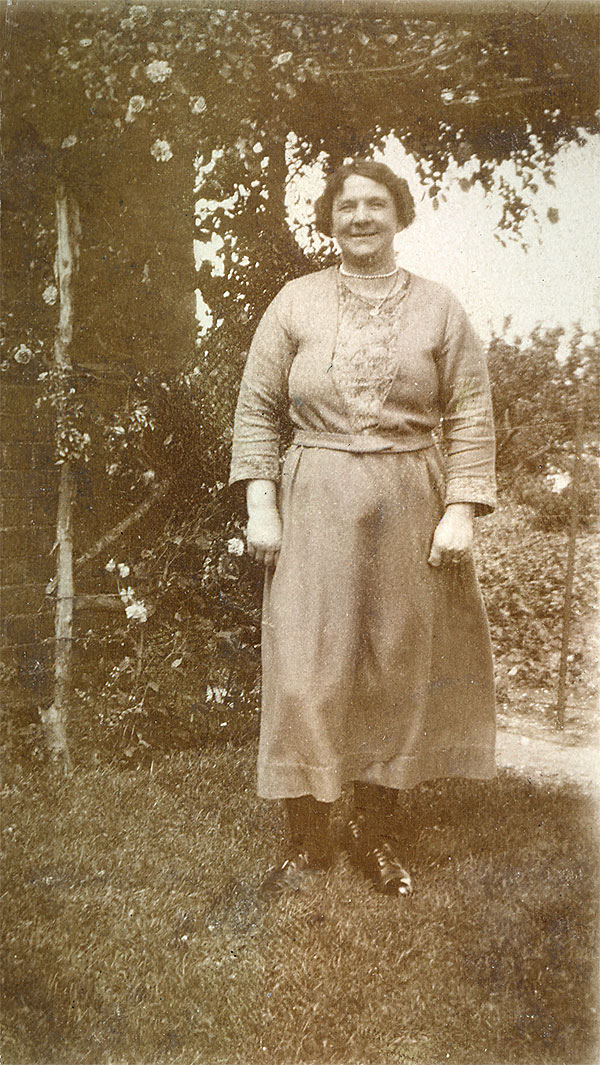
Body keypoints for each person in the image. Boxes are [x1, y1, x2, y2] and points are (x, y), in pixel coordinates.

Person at [229, 159, 496, 897]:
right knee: (306, 663)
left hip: (410, 496)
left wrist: (461, 509)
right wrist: (260, 505)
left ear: (399, 215)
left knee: (394, 663)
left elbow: (471, 411)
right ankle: (308, 838)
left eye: (376, 204)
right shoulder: (295, 302)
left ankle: (376, 836)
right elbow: (256, 410)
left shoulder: (440, 308)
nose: (360, 217)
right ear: (331, 219)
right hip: (315, 496)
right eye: (346, 206)